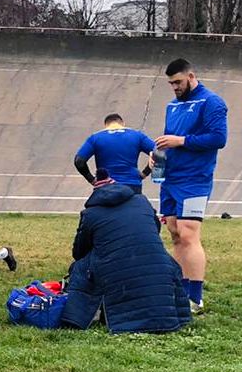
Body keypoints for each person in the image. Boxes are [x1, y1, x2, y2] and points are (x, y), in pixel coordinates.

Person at [60, 175, 191, 334]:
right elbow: (154, 229)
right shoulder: (142, 202)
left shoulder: (91, 214)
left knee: (81, 267)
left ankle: (75, 318)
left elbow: (79, 251)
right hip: (157, 264)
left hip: (115, 269)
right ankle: (181, 314)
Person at [154, 58, 228, 313]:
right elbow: (169, 140)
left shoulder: (212, 102)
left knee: (188, 233)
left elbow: (219, 138)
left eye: (178, 82)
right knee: (174, 232)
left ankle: (195, 298)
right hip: (170, 178)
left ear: (191, 76)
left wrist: (181, 141)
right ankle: (181, 291)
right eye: (171, 83)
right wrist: (159, 154)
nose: (174, 87)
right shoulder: (172, 106)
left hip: (195, 179)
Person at [74, 114, 156, 190]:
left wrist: (92, 180)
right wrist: (145, 172)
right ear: (123, 124)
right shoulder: (137, 136)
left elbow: (79, 161)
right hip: (132, 184)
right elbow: (159, 152)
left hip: (106, 186)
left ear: (106, 125)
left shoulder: (95, 138)